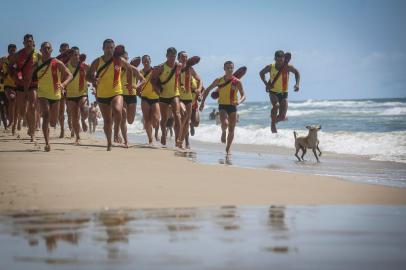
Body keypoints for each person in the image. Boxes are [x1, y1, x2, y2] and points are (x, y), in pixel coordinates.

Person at [87, 39, 133, 151]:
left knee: (118, 110)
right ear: (103, 48)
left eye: (112, 47)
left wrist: (130, 84)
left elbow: (130, 69)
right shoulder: (97, 61)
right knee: (107, 121)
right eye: (107, 47)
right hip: (102, 95)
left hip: (116, 92)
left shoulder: (119, 60)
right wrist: (94, 80)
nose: (109, 50)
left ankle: (116, 132)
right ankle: (109, 143)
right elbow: (88, 76)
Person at [200, 61, 246, 154]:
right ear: (224, 69)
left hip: (233, 106)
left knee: (232, 129)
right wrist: (202, 103)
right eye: (228, 68)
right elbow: (208, 90)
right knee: (224, 123)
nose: (230, 69)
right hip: (222, 106)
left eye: (231, 68)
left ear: (233, 69)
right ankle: (223, 131)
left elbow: (243, 95)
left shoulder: (237, 81)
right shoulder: (219, 80)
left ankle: (228, 148)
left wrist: (239, 101)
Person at [35, 42, 72, 151]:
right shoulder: (36, 63)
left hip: (56, 95)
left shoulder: (57, 62)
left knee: (52, 122)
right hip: (42, 94)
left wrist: (64, 84)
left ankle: (51, 129)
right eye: (44, 48)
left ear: (51, 50)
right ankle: (47, 143)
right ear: (41, 50)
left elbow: (70, 75)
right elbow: (27, 74)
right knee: (46, 115)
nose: (46, 50)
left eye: (48, 48)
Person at [9, 34, 41, 141]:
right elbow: (10, 67)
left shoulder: (38, 54)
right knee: (22, 111)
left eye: (30, 41)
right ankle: (26, 118)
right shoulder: (18, 55)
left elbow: (45, 64)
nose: (28, 43)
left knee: (33, 106)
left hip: (33, 84)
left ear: (33, 42)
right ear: (23, 43)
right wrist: (15, 78)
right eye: (26, 41)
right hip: (21, 85)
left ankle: (32, 133)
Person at [259, 50, 300, 133]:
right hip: (273, 92)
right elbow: (261, 73)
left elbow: (297, 73)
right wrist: (266, 83)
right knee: (276, 105)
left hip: (284, 93)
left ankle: (274, 121)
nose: (280, 62)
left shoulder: (288, 67)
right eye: (278, 60)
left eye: (282, 60)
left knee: (282, 117)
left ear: (284, 59)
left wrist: (297, 84)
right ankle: (273, 125)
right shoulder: (271, 67)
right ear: (275, 59)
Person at [150, 47, 182, 147]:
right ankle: (163, 134)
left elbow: (179, 77)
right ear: (166, 56)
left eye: (174, 56)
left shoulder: (178, 65)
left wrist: (181, 85)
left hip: (174, 94)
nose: (172, 58)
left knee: (177, 115)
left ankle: (178, 138)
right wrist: (157, 89)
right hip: (163, 95)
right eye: (170, 56)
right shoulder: (161, 67)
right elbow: (152, 80)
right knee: (164, 118)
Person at [118, 51, 145, 147]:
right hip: (121, 95)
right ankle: (126, 141)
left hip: (132, 96)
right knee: (123, 115)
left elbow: (143, 80)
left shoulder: (133, 69)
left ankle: (119, 133)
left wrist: (136, 86)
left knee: (130, 120)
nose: (124, 60)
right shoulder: (117, 68)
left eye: (126, 58)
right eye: (122, 58)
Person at [177, 51, 202, 149]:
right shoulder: (176, 68)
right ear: (178, 58)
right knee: (184, 116)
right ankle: (181, 141)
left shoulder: (191, 69)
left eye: (186, 57)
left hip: (189, 98)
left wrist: (199, 90)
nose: (185, 58)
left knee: (189, 121)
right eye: (182, 57)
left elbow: (199, 80)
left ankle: (181, 141)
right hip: (178, 97)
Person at [65, 46, 89, 144]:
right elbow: (61, 78)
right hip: (71, 95)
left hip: (82, 93)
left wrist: (95, 84)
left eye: (77, 54)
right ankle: (77, 137)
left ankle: (84, 120)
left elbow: (93, 74)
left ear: (79, 55)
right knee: (74, 117)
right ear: (70, 56)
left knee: (84, 109)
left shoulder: (84, 65)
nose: (76, 56)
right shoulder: (66, 66)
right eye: (74, 54)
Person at [139, 55, 160, 145]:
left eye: (147, 60)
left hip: (155, 98)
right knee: (147, 119)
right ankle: (150, 139)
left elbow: (160, 82)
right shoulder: (139, 72)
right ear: (142, 62)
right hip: (145, 98)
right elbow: (136, 84)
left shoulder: (155, 71)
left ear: (150, 61)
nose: (146, 62)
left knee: (156, 120)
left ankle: (156, 133)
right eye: (144, 61)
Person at [1, 44, 17, 133]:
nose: (13, 51)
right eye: (11, 50)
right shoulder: (4, 60)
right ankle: (11, 121)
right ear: (8, 50)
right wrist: (3, 75)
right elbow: (2, 74)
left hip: (17, 84)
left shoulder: (18, 60)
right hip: (7, 85)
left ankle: (14, 123)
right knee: (12, 99)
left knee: (17, 106)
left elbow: (20, 73)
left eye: (14, 50)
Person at [58, 42, 72, 138]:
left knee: (70, 110)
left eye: (66, 49)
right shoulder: (57, 59)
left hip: (71, 86)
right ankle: (62, 129)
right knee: (61, 110)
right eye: (63, 50)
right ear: (60, 50)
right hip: (61, 85)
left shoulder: (73, 58)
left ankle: (71, 124)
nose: (64, 51)